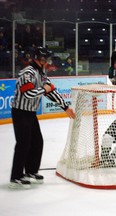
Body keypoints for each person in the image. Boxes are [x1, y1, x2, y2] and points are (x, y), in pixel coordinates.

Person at [9, 46, 75, 189]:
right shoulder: (27, 73)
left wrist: (66, 107)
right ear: (41, 59)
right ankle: (16, 177)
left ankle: (31, 171)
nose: (48, 62)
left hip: (30, 113)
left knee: (37, 142)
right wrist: (44, 89)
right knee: (23, 144)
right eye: (47, 59)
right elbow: (28, 93)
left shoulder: (41, 73)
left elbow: (51, 91)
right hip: (20, 112)